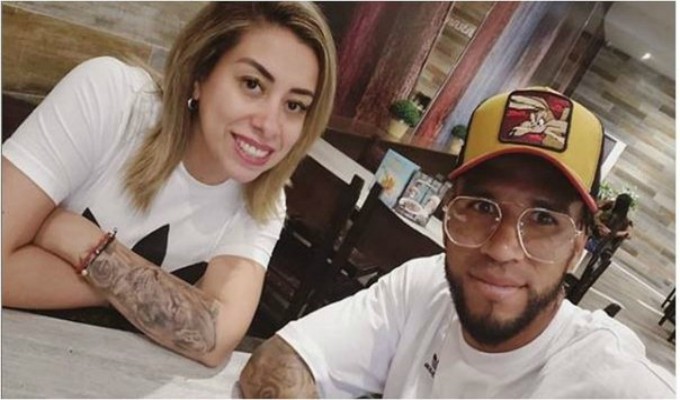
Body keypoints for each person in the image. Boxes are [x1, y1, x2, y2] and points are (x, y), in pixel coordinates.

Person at [239, 88, 676, 397]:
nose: (502, 249)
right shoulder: (422, 288)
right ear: (448, 209)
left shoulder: (610, 378)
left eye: (544, 219)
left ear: (578, 245)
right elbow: (282, 360)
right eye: (483, 206)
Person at [2, 2, 337, 367]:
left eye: (295, 105)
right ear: (200, 73)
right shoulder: (111, 97)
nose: (270, 126)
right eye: (252, 84)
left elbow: (215, 340)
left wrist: (88, 247)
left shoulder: (263, 200)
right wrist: (156, 298)